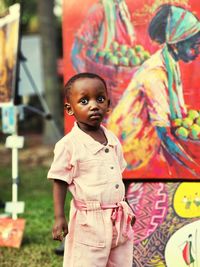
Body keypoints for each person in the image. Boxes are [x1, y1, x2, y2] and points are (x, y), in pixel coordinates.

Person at [47, 72, 135, 267]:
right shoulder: (69, 145)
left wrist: (126, 205)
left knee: (120, 261)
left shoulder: (112, 139)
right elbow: (60, 181)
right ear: (70, 109)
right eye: (84, 101)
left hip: (118, 218)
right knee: (86, 262)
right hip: (89, 220)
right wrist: (59, 217)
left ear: (109, 105)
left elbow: (117, 177)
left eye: (100, 99)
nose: (94, 105)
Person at [107, 4, 200, 178]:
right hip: (131, 147)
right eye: (195, 45)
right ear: (176, 44)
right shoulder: (155, 74)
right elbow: (164, 133)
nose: (198, 51)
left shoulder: (171, 63)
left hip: (147, 140)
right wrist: (193, 167)